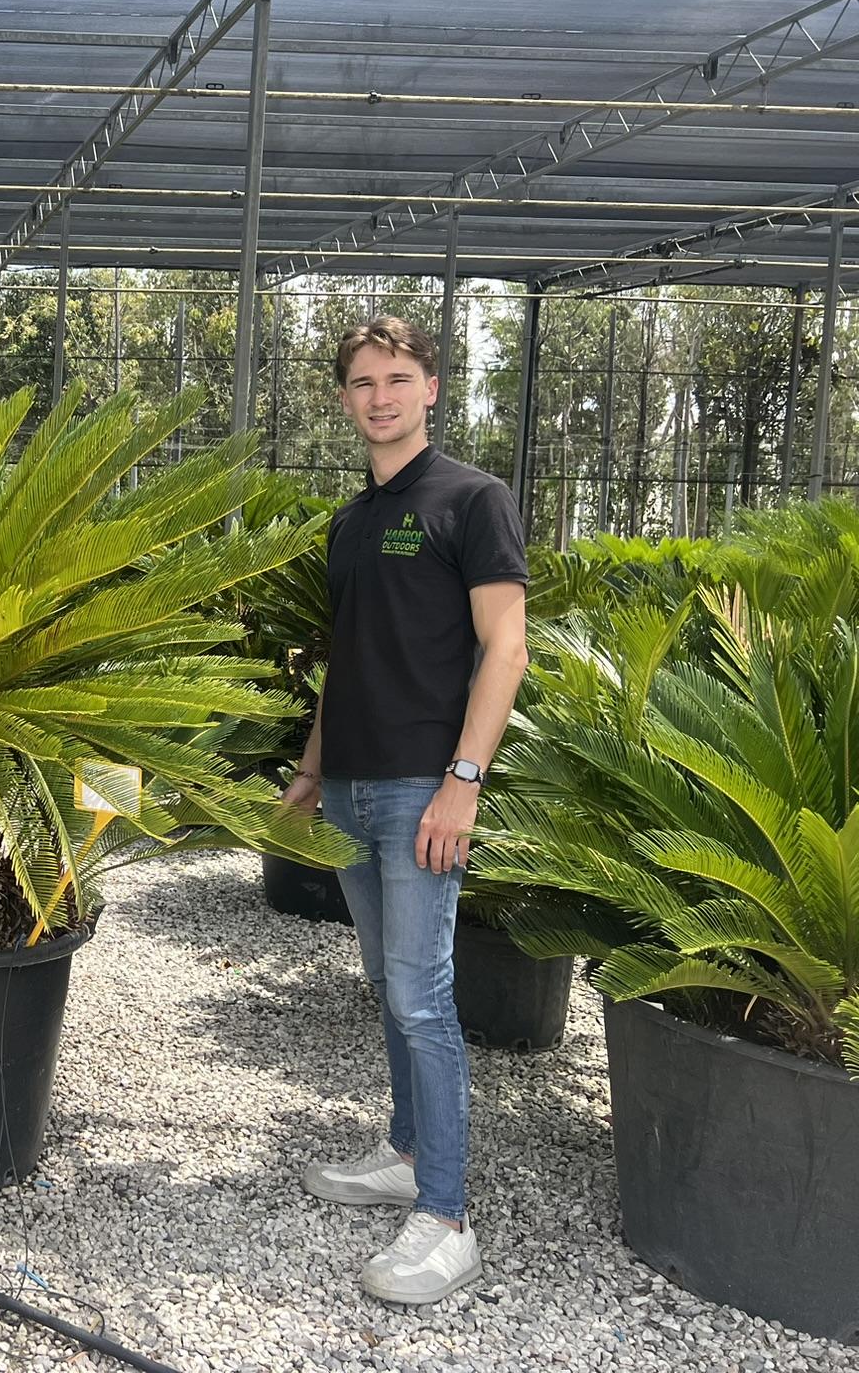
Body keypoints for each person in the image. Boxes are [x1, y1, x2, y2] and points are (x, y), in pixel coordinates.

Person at [279, 315, 530, 1306]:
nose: (378, 396)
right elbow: (348, 658)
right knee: (387, 980)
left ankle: (445, 1217)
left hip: (423, 789)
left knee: (423, 997)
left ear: (430, 388)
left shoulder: (472, 499)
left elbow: (502, 648)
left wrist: (460, 783)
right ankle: (403, 1150)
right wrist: (307, 772)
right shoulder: (347, 522)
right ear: (343, 398)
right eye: (360, 382)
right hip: (347, 789)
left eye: (397, 378)